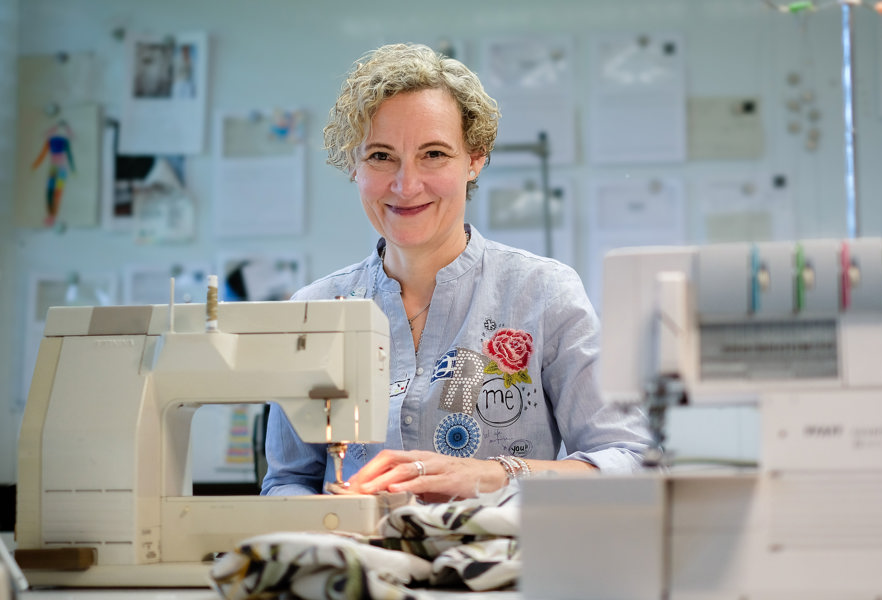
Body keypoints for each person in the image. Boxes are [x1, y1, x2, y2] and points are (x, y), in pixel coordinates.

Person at [261, 43, 652, 503]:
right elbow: (286, 483)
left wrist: (492, 475)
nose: (406, 186)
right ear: (353, 164)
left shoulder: (544, 293)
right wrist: (331, 521)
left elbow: (629, 459)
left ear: (475, 160)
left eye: (434, 154)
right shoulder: (314, 309)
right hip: (359, 567)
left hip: (501, 567)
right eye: (381, 156)